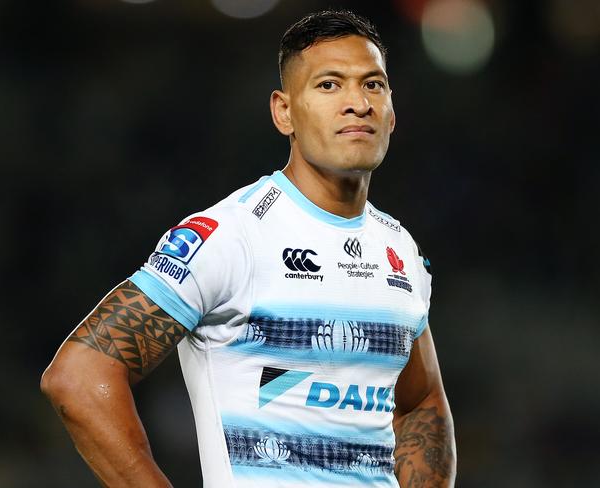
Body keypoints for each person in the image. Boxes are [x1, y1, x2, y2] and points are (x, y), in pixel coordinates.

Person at [41, 9, 456, 488]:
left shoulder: (399, 250)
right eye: (328, 85)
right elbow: (79, 377)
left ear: (391, 113)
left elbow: (422, 401)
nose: (356, 104)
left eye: (372, 85)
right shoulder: (231, 236)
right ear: (284, 112)